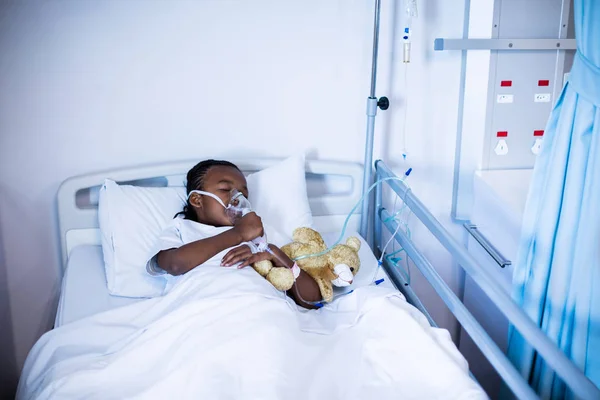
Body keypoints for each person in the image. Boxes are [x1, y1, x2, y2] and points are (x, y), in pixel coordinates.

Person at [145, 159, 322, 308]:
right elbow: (174, 265)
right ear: (197, 199)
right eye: (225, 189)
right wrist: (238, 234)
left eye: (243, 193)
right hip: (200, 306)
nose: (238, 198)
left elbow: (312, 299)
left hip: (259, 306)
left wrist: (272, 252)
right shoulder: (181, 228)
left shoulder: (259, 235)